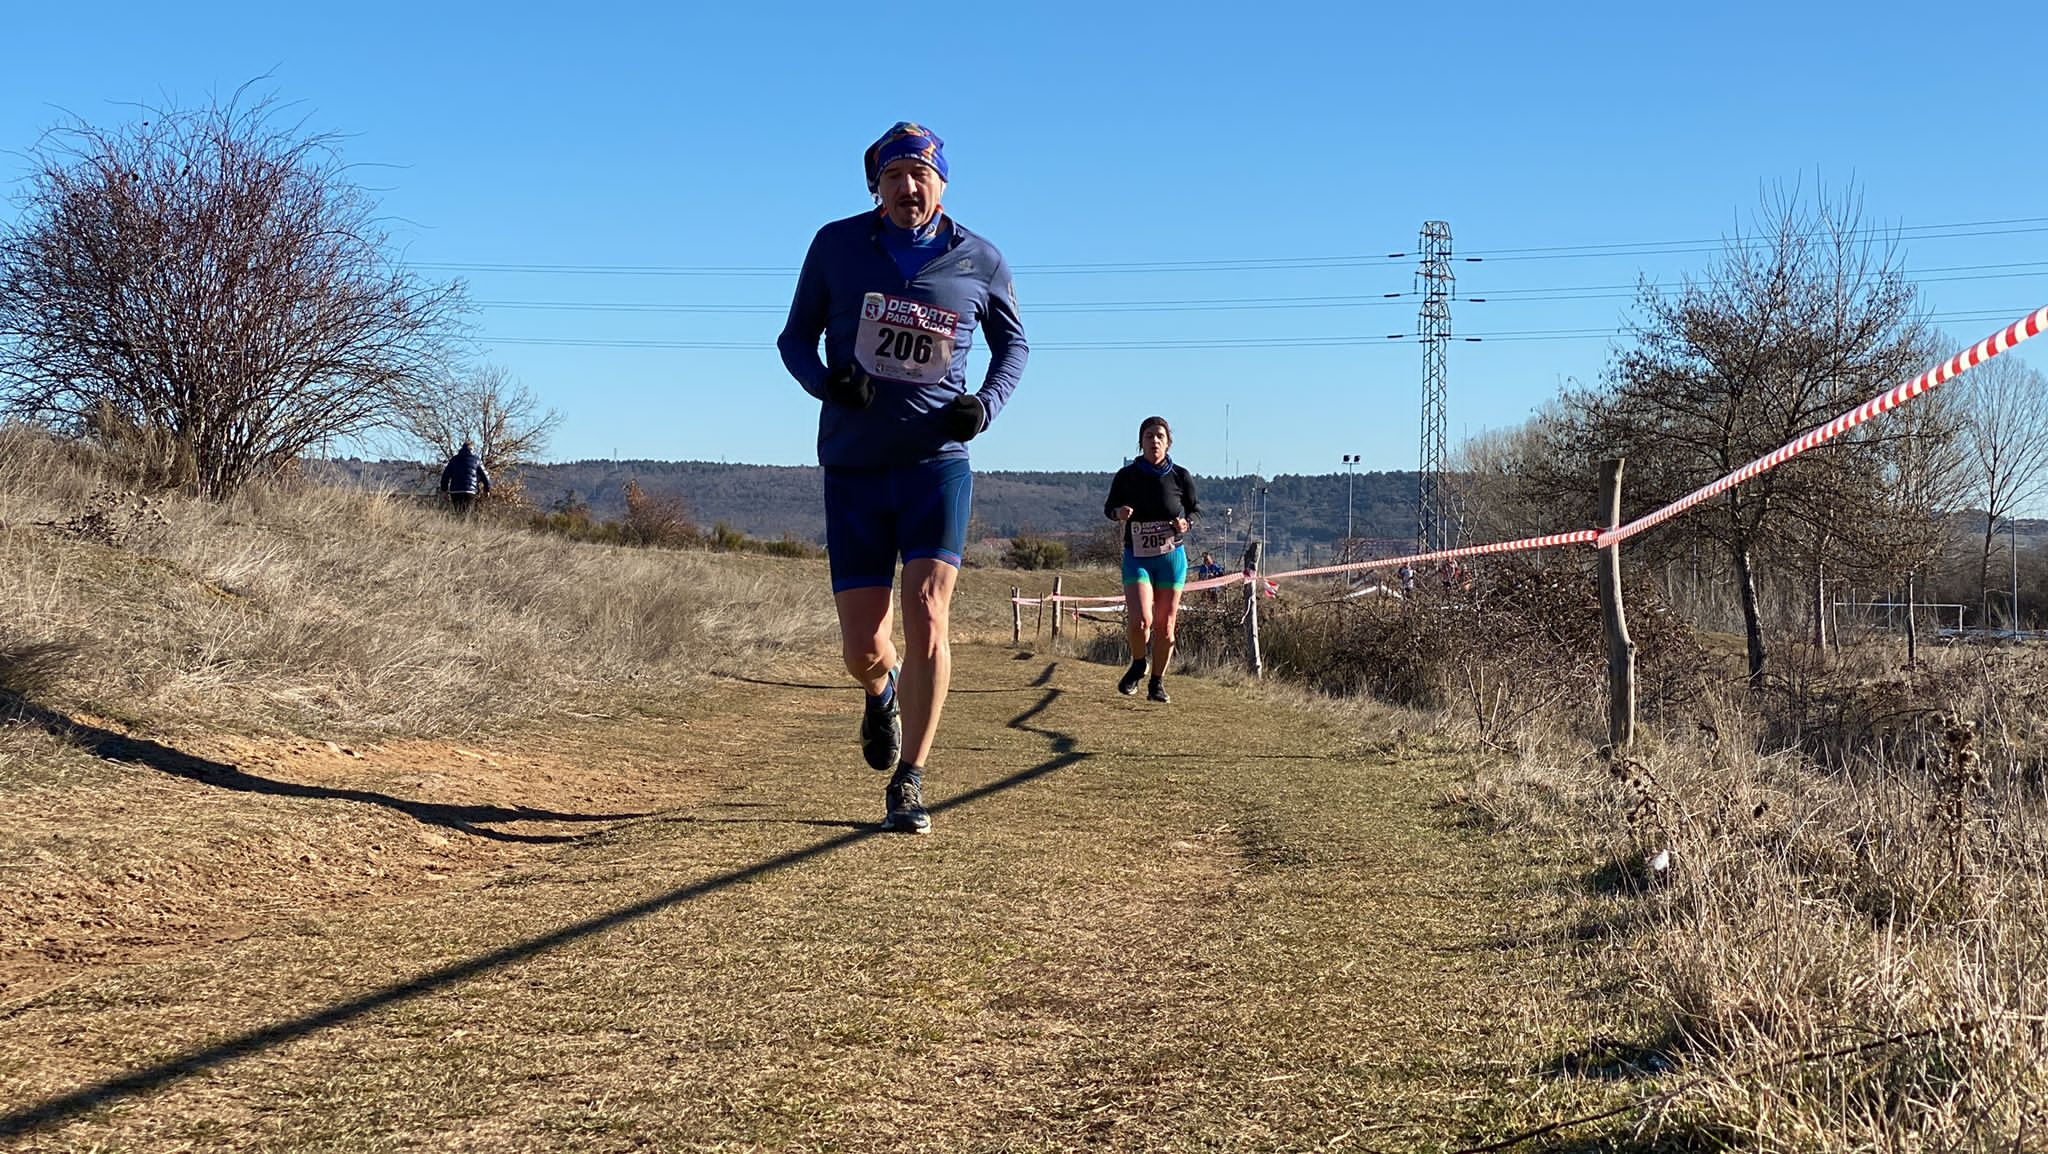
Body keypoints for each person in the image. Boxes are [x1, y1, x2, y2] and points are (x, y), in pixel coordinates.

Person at [776, 122, 1028, 835]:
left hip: (935, 466)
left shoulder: (979, 258)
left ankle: (911, 778)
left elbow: (1015, 346)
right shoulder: (834, 246)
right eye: (894, 176)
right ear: (875, 186)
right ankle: (879, 693)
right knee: (863, 647)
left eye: (921, 174)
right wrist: (828, 385)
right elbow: (793, 339)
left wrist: (985, 406)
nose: (908, 187)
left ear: (942, 183)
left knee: (926, 610)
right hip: (855, 466)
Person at [1105, 416, 1199, 704]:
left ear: (1168, 442)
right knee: (1140, 621)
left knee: (1166, 627)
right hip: (1138, 557)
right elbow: (1109, 508)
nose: (1154, 440)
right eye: (1148, 436)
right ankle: (1138, 663)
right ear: (1140, 442)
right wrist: (1118, 513)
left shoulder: (1180, 476)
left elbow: (1194, 511)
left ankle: (1156, 683)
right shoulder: (1126, 476)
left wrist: (1186, 523)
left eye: (1159, 436)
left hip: (1171, 558)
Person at [438, 441, 491, 516]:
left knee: (458, 513)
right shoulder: (476, 460)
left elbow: (445, 476)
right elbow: (485, 476)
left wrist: (444, 490)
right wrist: (487, 489)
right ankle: (465, 526)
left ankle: (458, 526)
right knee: (467, 514)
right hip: (470, 491)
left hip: (455, 491)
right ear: (472, 449)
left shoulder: (454, 460)